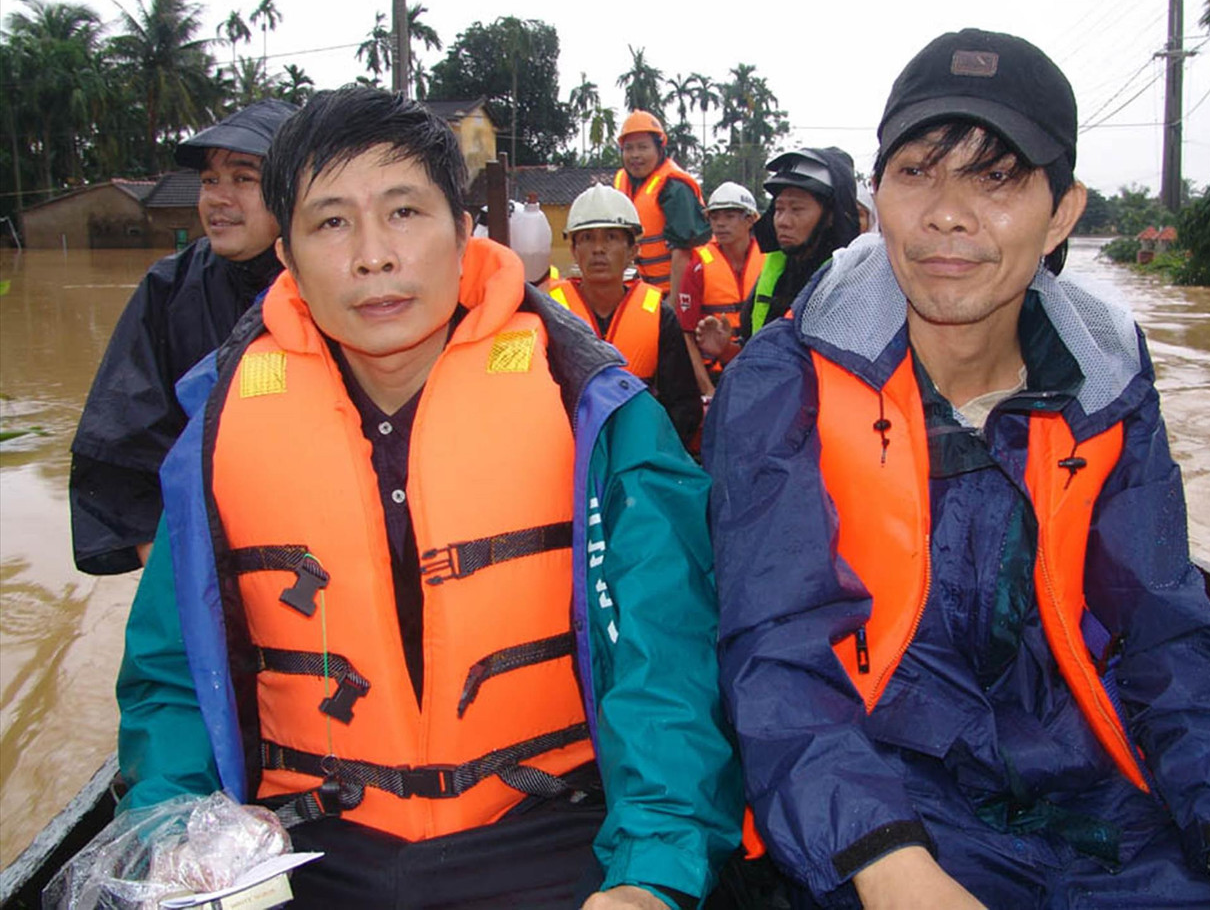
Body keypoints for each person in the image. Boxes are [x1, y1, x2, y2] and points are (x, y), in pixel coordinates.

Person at [705, 29, 1210, 909]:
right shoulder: (784, 381)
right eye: (917, 172)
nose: (948, 213)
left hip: (1097, 806)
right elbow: (776, 650)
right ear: (875, 201)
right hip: (870, 798)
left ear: (1063, 213)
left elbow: (1166, 634)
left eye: (998, 177)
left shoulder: (1109, 385)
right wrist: (893, 865)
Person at [115, 88, 741, 909]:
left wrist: (651, 875)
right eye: (331, 222)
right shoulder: (217, 431)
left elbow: (669, 662)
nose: (373, 255)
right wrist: (175, 833)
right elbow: (171, 677)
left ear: (463, 234)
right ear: (289, 259)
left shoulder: (597, 414)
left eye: (404, 211)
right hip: (295, 849)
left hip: (553, 832)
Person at [69, 99, 295, 574]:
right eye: (210, 180)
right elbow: (121, 441)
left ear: (295, 190)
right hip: (208, 557)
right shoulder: (169, 288)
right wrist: (178, 588)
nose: (217, 198)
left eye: (243, 179)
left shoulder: (341, 282)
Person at [548, 185, 703, 446]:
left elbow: (684, 408)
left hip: (638, 455)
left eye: (610, 238)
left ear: (632, 250)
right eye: (587, 238)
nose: (598, 249)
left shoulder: (659, 317)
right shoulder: (551, 313)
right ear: (574, 249)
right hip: (568, 454)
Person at [696, 148, 859, 364]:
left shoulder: (852, 285)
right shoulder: (776, 270)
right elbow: (757, 357)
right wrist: (725, 349)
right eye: (779, 209)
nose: (782, 221)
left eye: (797, 209)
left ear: (830, 216)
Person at [676, 182, 765, 397]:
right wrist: (707, 389)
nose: (720, 224)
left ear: (750, 219)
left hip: (763, 371)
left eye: (729, 216)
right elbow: (686, 334)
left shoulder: (769, 260)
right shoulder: (698, 266)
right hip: (717, 374)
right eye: (714, 217)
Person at [611, 111, 708, 296]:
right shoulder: (623, 182)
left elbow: (683, 253)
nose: (635, 155)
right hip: (646, 290)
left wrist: (673, 306)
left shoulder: (674, 187)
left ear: (659, 149)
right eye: (629, 148)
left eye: (643, 147)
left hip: (679, 291)